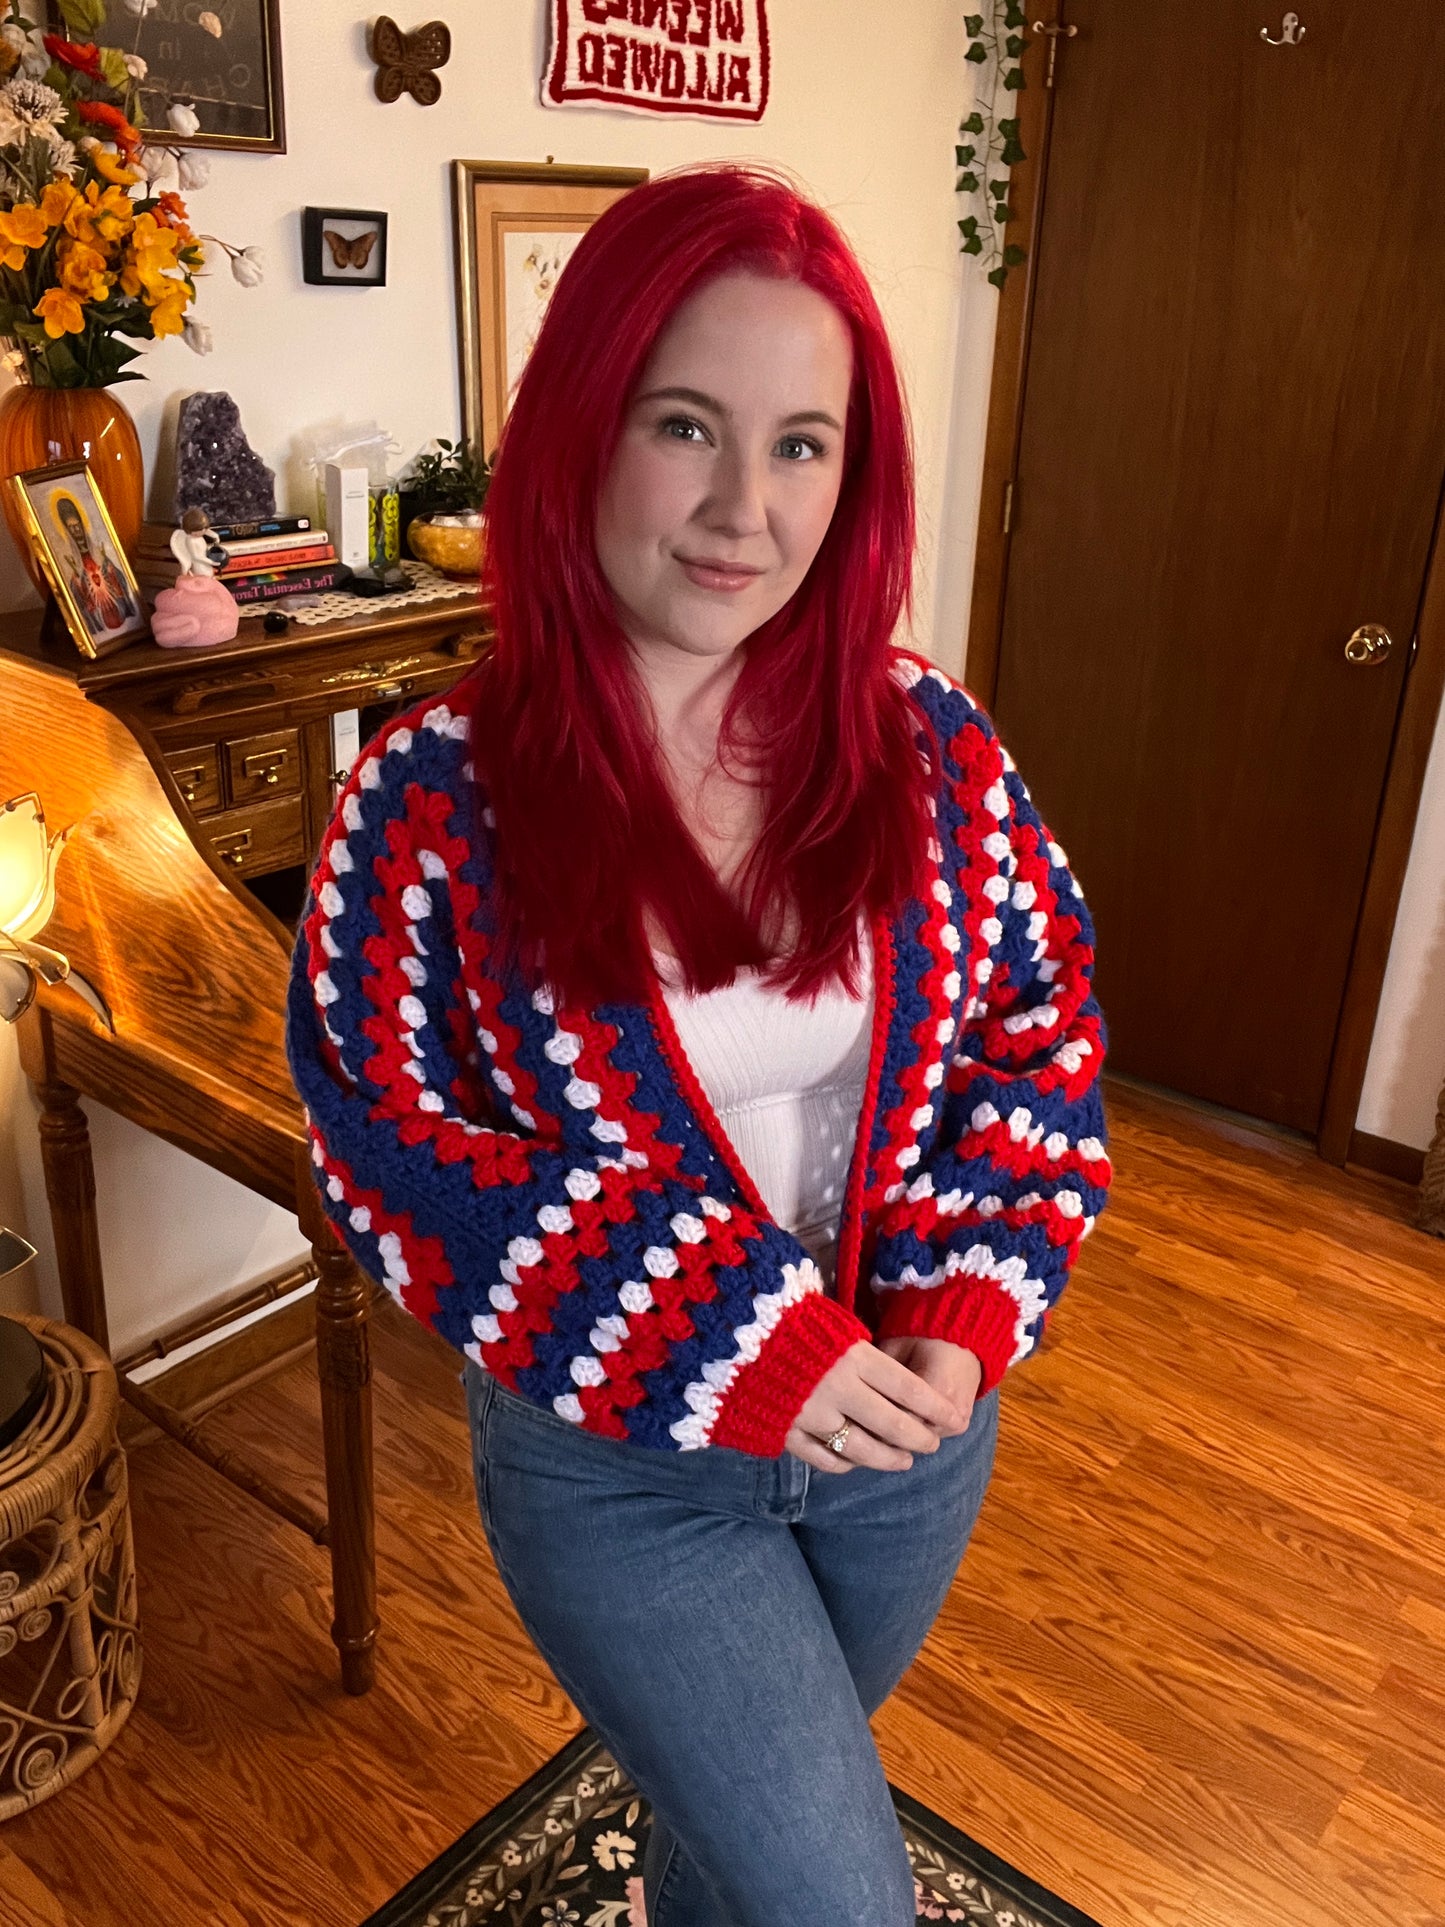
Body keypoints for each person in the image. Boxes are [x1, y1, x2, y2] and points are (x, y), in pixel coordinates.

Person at [286, 164, 1110, 1927]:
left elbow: (1036, 1039)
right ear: (586, 426)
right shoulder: (432, 802)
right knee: (838, 1898)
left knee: (731, 1854)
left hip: (906, 1439)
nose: (747, 506)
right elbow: (394, 1157)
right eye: (689, 425)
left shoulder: (927, 743)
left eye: (803, 443)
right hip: (625, 1471)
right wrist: (749, 1339)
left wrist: (961, 1314)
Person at [51, 491, 136, 633]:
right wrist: (78, 584)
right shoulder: (71, 560)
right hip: (92, 598)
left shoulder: (98, 552)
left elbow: (119, 576)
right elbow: (76, 591)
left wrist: (111, 572)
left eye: (77, 525)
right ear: (67, 530)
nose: (76, 530)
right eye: (71, 527)